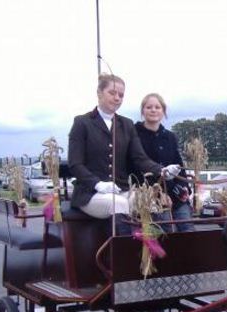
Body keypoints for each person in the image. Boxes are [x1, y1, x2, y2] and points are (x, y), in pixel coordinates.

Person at [68, 74, 181, 233]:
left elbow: (140, 158)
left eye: (121, 95)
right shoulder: (82, 123)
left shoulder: (126, 124)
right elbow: (75, 164)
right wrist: (97, 184)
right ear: (99, 93)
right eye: (112, 93)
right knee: (118, 204)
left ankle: (155, 254)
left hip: (122, 190)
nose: (117, 98)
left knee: (150, 203)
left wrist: (162, 170)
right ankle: (122, 256)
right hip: (89, 194)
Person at [135, 93, 194, 232]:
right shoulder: (134, 134)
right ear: (143, 111)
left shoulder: (170, 137)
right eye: (149, 107)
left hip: (175, 193)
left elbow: (180, 166)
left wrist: (182, 188)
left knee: (187, 227)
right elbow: (136, 165)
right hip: (149, 195)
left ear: (163, 111)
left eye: (157, 107)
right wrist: (159, 194)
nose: (153, 110)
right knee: (165, 227)